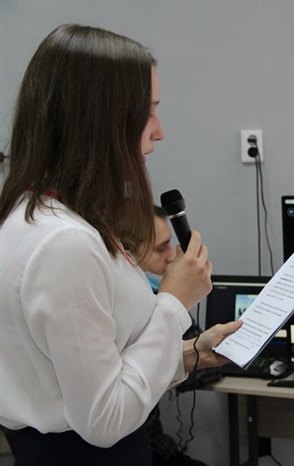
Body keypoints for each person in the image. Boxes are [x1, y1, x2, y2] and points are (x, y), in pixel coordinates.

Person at [0, 24, 241, 465]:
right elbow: (104, 418)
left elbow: (97, 374)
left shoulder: (38, 215)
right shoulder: (65, 245)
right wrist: (174, 302)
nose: (160, 131)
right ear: (100, 120)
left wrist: (188, 355)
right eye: (148, 112)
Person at [136, 206, 207, 466]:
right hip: (144, 449)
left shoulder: (157, 291)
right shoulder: (135, 306)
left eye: (170, 244)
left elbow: (202, 360)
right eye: (160, 248)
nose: (171, 256)